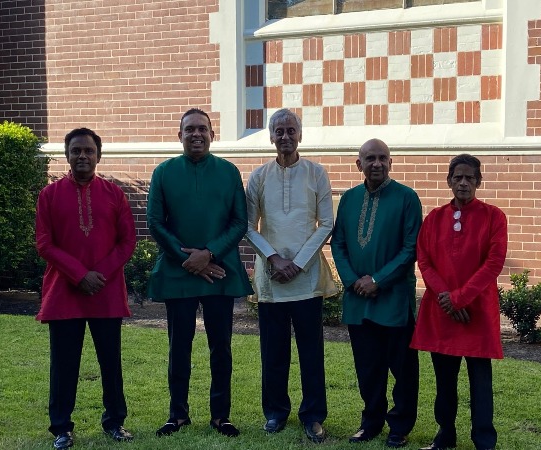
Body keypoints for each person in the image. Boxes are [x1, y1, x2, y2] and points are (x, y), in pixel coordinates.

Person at [147, 108, 253, 438]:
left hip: (219, 270)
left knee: (220, 347)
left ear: (212, 134)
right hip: (179, 273)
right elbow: (155, 222)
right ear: (179, 135)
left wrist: (208, 254)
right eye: (190, 129)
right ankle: (177, 413)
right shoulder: (163, 172)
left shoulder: (229, 172)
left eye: (203, 129)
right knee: (179, 346)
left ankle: (221, 415)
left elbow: (240, 222)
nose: (197, 134)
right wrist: (187, 259)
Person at [35, 128, 136, 449]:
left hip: (105, 291)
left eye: (88, 151)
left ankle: (115, 421)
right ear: (67, 155)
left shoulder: (114, 194)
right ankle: (62, 428)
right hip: (65, 292)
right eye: (76, 150)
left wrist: (99, 274)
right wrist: (79, 275)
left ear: (98, 155)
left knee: (111, 361)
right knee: (64, 364)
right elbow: (44, 243)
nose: (82, 156)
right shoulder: (49, 196)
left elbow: (127, 241)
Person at [245, 108, 336, 443]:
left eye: (290, 130)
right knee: (273, 350)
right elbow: (247, 226)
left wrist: (297, 262)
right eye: (278, 131)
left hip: (307, 276)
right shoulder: (258, 177)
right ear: (271, 137)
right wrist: (273, 258)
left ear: (300, 134)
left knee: (311, 352)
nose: (285, 137)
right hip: (271, 278)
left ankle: (313, 416)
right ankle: (275, 413)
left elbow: (326, 223)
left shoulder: (316, 174)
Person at [410, 154, 507, 450]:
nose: (463, 183)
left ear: (479, 181)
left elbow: (493, 263)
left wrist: (460, 298)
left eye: (469, 178)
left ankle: (484, 440)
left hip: (475, 311)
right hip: (443, 313)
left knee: (480, 382)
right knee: (445, 381)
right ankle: (445, 435)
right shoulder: (435, 218)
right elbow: (424, 261)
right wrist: (448, 300)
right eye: (458, 177)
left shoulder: (494, 217)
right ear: (449, 181)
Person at [330, 138, 421, 448]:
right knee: (368, 367)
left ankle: (400, 426)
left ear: (391, 162)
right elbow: (338, 243)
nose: (377, 164)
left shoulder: (407, 198)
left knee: (403, 368)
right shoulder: (348, 199)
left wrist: (378, 280)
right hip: (358, 299)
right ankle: (370, 422)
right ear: (359, 164)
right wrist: (353, 279)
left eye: (383, 158)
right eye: (370, 158)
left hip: (394, 299)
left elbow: (411, 249)